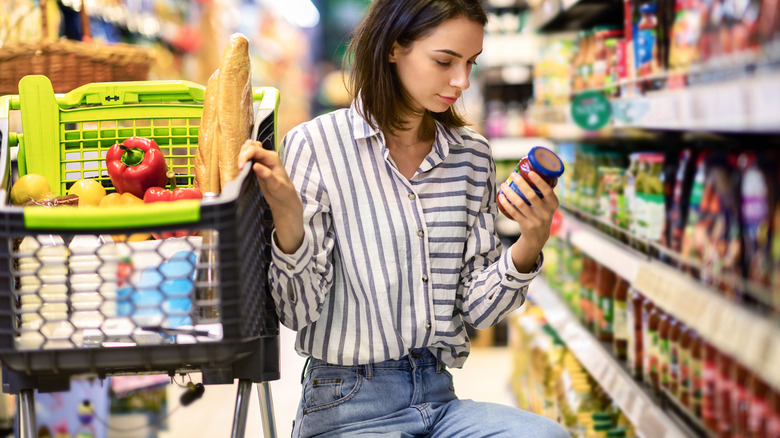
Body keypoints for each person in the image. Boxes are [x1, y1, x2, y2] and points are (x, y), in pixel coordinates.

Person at [238, 0, 568, 436]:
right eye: (444, 60)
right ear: (394, 47)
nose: (461, 80)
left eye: (471, 62)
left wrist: (530, 241)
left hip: (437, 394)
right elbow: (297, 312)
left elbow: (477, 311)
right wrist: (289, 219)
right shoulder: (316, 145)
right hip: (345, 399)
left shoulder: (471, 156)